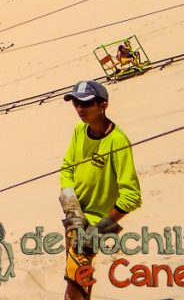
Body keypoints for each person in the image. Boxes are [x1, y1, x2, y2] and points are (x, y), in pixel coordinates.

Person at [58, 80, 141, 300]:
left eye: (86, 103)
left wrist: (99, 228)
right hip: (74, 218)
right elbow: (67, 170)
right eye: (76, 103)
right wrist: (71, 208)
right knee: (76, 277)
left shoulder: (117, 141)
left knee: (75, 280)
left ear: (103, 105)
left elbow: (131, 196)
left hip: (94, 225)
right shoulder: (79, 132)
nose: (80, 109)